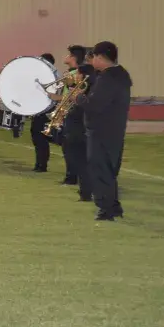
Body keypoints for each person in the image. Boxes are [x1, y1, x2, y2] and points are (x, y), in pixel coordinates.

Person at [75, 41, 132, 221]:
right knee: (109, 171)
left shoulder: (108, 78)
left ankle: (105, 209)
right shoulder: (121, 75)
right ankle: (114, 206)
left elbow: (94, 105)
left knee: (100, 170)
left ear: (100, 57)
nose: (92, 62)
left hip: (101, 131)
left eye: (93, 57)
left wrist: (79, 97)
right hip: (114, 130)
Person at [50, 45, 87, 185]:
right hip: (67, 112)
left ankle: (72, 177)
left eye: (68, 55)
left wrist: (56, 98)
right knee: (67, 146)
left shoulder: (77, 74)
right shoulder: (71, 73)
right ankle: (73, 175)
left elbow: (74, 96)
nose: (65, 57)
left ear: (73, 57)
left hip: (73, 114)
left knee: (71, 147)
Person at [65, 64, 95, 202]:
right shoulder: (85, 88)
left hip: (80, 129)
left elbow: (82, 108)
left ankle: (86, 192)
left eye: (78, 73)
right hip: (79, 129)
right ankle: (86, 190)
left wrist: (74, 98)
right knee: (82, 163)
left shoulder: (87, 89)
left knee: (83, 163)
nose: (75, 76)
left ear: (83, 75)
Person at [30, 53, 59, 173]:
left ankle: (41, 165)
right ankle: (40, 163)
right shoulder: (48, 75)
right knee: (38, 138)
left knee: (41, 138)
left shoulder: (53, 76)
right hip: (40, 111)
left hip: (46, 111)